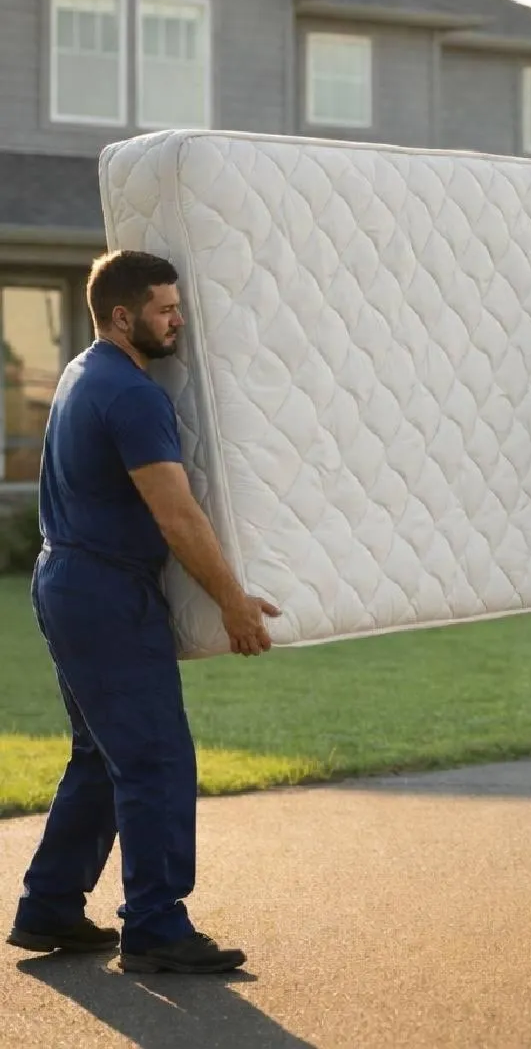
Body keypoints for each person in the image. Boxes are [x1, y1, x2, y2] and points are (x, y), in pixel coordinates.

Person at [6, 249, 280, 974]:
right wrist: (233, 604)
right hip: (103, 592)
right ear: (123, 315)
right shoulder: (132, 395)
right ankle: (156, 926)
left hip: (67, 579)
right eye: (165, 309)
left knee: (101, 756)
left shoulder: (82, 370)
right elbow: (178, 516)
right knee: (156, 758)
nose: (178, 320)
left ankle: (50, 907)